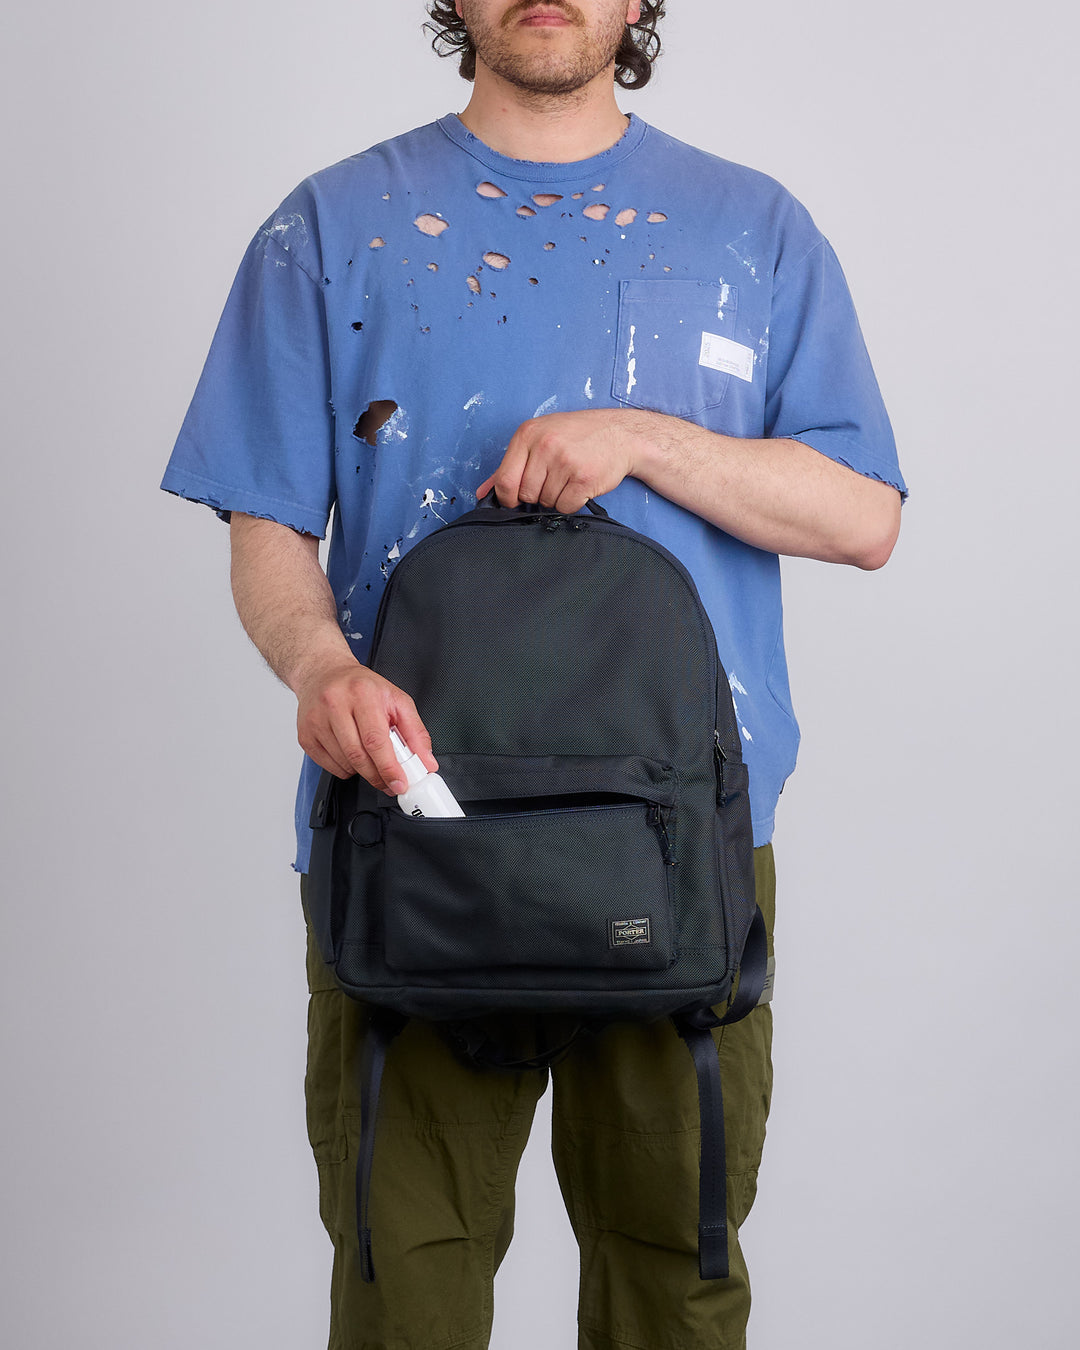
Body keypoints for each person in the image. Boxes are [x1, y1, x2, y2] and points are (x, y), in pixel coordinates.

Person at [162, 2, 906, 1345]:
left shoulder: (755, 230)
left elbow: (863, 515)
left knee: (673, 1293)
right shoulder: (329, 228)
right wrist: (320, 666)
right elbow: (265, 520)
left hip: (678, 848)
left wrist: (643, 437)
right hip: (413, 825)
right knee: (406, 1295)